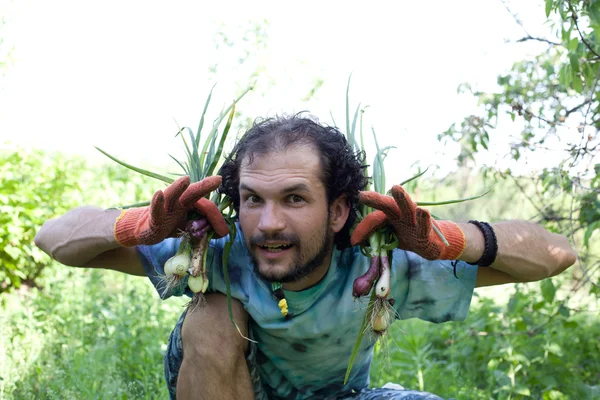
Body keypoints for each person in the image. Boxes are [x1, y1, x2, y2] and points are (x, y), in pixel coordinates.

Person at [35, 114, 577, 400]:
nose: (268, 223)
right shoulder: (211, 251)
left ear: (339, 211)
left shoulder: (380, 266)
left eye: (294, 198)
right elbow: (53, 238)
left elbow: (556, 254)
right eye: (253, 199)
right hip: (224, 386)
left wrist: (453, 242)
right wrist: (136, 227)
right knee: (212, 316)